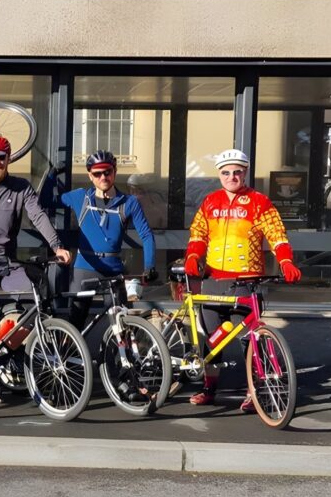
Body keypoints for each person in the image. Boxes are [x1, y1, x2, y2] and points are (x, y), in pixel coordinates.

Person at [183, 149, 302, 411]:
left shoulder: (259, 202)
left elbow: (277, 235)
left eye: (237, 172)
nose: (231, 177)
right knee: (213, 339)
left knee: (249, 338)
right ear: (219, 174)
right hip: (213, 281)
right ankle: (209, 388)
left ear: (245, 172)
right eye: (226, 172)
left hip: (246, 282)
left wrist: (285, 260)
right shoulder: (210, 201)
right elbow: (198, 234)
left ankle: (254, 390)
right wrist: (192, 256)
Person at [0, 135, 72, 401]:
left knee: (35, 302)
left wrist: (57, 246)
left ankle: (5, 351)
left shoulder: (21, 187)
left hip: (8, 263)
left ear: (9, 159)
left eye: (1, 158)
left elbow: (38, 216)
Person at [41, 150, 157, 330]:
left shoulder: (129, 202)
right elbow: (44, 201)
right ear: (90, 175)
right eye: (97, 173)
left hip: (113, 270)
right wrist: (52, 174)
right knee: (75, 321)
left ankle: (118, 349)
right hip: (85, 267)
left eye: (107, 172)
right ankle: (69, 347)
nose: (103, 177)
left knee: (121, 321)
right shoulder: (81, 197)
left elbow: (146, 235)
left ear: (114, 172)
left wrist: (150, 265)